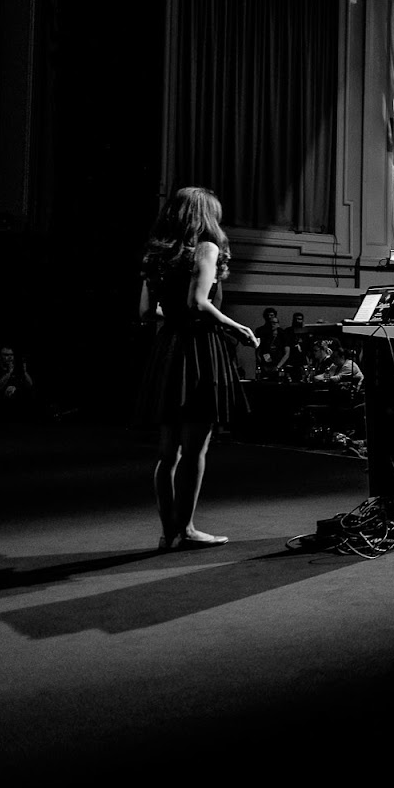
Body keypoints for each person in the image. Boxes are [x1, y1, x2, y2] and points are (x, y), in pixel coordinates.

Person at [138, 186, 258, 551]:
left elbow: (146, 313)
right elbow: (199, 302)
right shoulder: (207, 249)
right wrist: (235, 327)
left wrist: (173, 314)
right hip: (198, 351)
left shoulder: (155, 257)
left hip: (168, 351)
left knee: (167, 453)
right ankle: (186, 529)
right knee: (194, 451)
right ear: (205, 216)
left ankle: (168, 532)